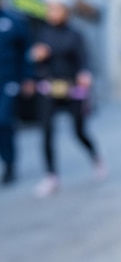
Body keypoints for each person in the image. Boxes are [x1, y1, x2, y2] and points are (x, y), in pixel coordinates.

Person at [30, 0, 105, 198]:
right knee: (46, 131)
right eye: (49, 8)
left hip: (72, 89)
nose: (51, 12)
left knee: (79, 131)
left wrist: (85, 74)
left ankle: (95, 158)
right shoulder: (42, 33)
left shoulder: (75, 35)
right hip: (49, 88)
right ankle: (51, 176)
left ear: (65, 11)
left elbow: (85, 60)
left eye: (55, 8)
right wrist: (36, 56)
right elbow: (32, 58)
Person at [0, 1, 34, 185]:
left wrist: (28, 77)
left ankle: (9, 164)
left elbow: (26, 51)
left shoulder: (14, 21)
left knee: (3, 122)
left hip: (8, 81)